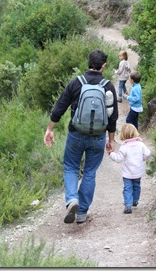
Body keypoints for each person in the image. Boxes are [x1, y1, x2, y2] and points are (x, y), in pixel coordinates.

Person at [44, 49, 118, 224]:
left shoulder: (76, 83)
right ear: (104, 65)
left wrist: (50, 129)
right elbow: (113, 117)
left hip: (76, 134)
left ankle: (72, 200)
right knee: (90, 173)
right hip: (98, 137)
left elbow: (60, 106)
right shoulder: (108, 86)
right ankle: (82, 213)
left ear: (88, 63)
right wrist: (112, 139)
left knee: (70, 167)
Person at [108, 123, 151, 213]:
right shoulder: (141, 144)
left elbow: (118, 158)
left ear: (123, 135)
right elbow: (148, 153)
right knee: (137, 186)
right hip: (138, 171)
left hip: (127, 173)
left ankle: (128, 205)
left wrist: (111, 153)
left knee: (127, 188)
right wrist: (143, 158)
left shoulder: (124, 147)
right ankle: (135, 200)